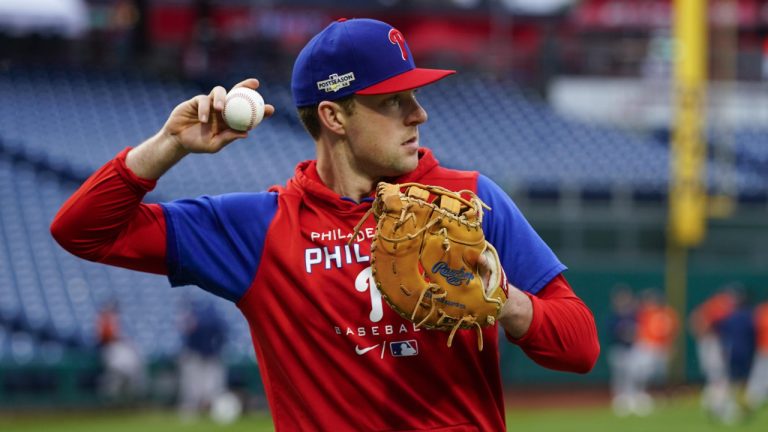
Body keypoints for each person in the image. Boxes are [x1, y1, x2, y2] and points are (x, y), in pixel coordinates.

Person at [50, 18, 600, 431]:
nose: (419, 114)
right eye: (393, 101)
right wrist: (169, 145)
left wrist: (504, 300)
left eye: (416, 96)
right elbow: (82, 230)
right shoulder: (257, 229)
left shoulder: (470, 202)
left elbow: (581, 348)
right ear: (335, 117)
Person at [689, 287, 740, 422]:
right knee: (719, 375)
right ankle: (718, 404)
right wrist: (706, 334)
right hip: (712, 343)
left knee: (717, 375)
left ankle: (713, 401)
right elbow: (698, 320)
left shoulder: (714, 306)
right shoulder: (716, 306)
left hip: (713, 343)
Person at [625, 289, 679, 416]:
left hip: (659, 348)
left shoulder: (667, 314)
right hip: (646, 347)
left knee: (658, 376)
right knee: (640, 374)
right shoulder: (645, 313)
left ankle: (657, 398)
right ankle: (637, 397)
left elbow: (672, 333)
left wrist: (670, 347)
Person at [177, 299, 229, 420]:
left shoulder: (213, 320)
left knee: (212, 388)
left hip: (209, 357)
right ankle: (191, 412)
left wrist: (215, 351)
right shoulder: (193, 319)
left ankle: (213, 411)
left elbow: (223, 337)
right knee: (192, 389)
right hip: (194, 356)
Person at [95, 301, 146, 402]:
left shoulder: (117, 320)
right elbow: (105, 338)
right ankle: (110, 399)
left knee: (133, 368)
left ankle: (134, 396)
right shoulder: (104, 319)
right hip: (110, 349)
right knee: (116, 377)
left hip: (119, 349)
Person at [605, 284, 638, 416]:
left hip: (630, 349)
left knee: (631, 375)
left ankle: (631, 399)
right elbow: (612, 333)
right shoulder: (613, 316)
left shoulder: (632, 315)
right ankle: (619, 400)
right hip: (617, 349)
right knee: (618, 376)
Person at [746, 300, 768, 412]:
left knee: (761, 376)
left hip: (763, 349)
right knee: (760, 375)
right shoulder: (762, 310)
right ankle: (753, 399)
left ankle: (754, 399)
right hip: (763, 349)